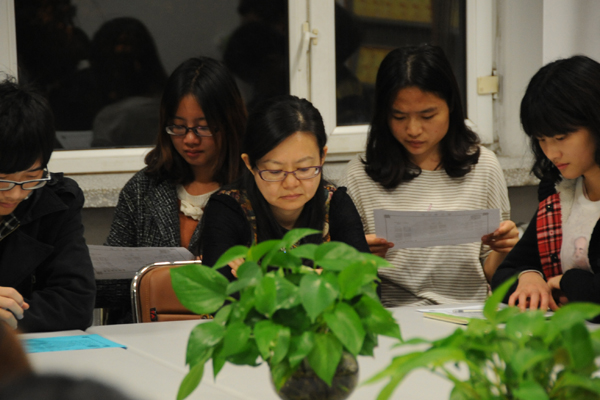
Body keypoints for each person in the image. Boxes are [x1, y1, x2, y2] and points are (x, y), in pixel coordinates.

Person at [341, 44, 518, 307]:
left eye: (427, 115)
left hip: (466, 315)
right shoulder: (360, 176)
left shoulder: (483, 167)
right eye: (399, 116)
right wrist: (358, 256)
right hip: (392, 317)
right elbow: (345, 282)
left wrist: (505, 248)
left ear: (451, 107)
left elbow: (491, 272)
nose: (413, 129)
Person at [200, 95, 370, 280]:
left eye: (304, 169)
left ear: (322, 157)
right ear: (249, 164)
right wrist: (326, 278)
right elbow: (219, 293)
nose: (291, 183)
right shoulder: (227, 210)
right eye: (275, 171)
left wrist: (260, 282)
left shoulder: (336, 204)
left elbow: (367, 286)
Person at [105, 57, 247, 255]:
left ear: (229, 123)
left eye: (203, 127)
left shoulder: (254, 189)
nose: (190, 139)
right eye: (178, 126)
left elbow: (282, 254)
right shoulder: (143, 189)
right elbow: (112, 263)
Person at [491, 55, 600, 311]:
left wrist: (568, 282)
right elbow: (504, 272)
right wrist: (528, 277)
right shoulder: (559, 192)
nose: (551, 153)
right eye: (541, 140)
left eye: (561, 137)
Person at [0, 79, 96, 332]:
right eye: (3, 181)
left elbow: (75, 303)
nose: (15, 194)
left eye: (31, 178)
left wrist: (8, 319)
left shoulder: (56, 202)